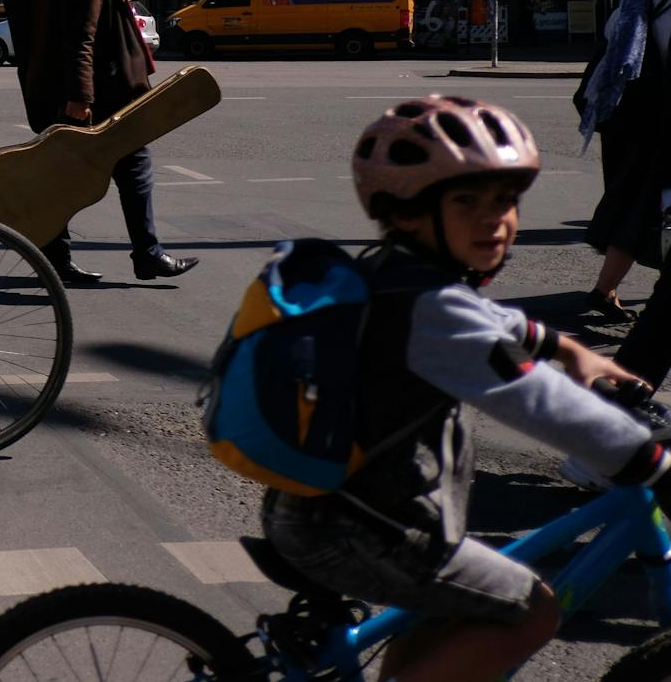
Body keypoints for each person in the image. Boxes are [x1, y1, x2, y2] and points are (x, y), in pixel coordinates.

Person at [260, 96, 669, 682]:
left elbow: (486, 321)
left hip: (326, 509)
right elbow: (539, 402)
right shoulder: (432, 307)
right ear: (407, 212)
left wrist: (567, 348)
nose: (494, 218)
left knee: (449, 612)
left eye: (505, 201)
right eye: (467, 201)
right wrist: (648, 460)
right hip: (364, 530)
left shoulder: (394, 273)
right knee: (533, 608)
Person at [15, 0, 197, 285]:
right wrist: (81, 97)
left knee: (82, 174)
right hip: (97, 96)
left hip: (91, 93)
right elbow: (81, 37)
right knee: (122, 170)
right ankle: (143, 256)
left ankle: (61, 258)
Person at [577, 0, 671, 322]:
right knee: (644, 205)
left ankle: (605, 289)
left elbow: (612, 39)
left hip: (640, 116)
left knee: (638, 204)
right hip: (661, 120)